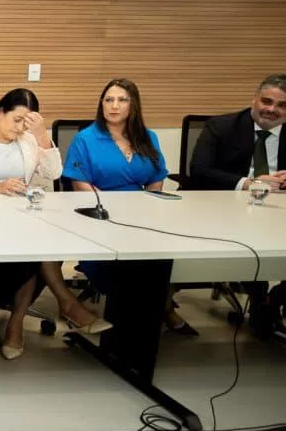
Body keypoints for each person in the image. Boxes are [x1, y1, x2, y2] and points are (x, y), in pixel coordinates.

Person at [0, 88, 111, 358]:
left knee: (45, 244)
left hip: (23, 219)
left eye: (25, 123)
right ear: (0, 113)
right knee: (38, 252)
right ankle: (65, 306)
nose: (19, 128)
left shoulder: (28, 141)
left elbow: (54, 173)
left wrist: (41, 136)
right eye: (16, 120)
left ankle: (18, 321)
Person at [188, 73, 286, 335]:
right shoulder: (222, 126)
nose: (271, 109)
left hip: (284, 211)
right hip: (227, 209)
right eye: (267, 101)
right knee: (254, 245)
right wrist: (248, 183)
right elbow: (199, 170)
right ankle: (260, 303)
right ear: (255, 98)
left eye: (283, 105)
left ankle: (278, 299)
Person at [65, 78, 194, 335]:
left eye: (122, 100)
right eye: (109, 100)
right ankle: (141, 320)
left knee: (171, 255)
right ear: (101, 104)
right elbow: (80, 183)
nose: (114, 106)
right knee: (129, 268)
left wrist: (149, 207)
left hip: (143, 216)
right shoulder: (86, 139)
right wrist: (116, 210)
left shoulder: (148, 137)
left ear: (133, 105)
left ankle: (160, 306)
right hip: (101, 217)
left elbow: (156, 177)